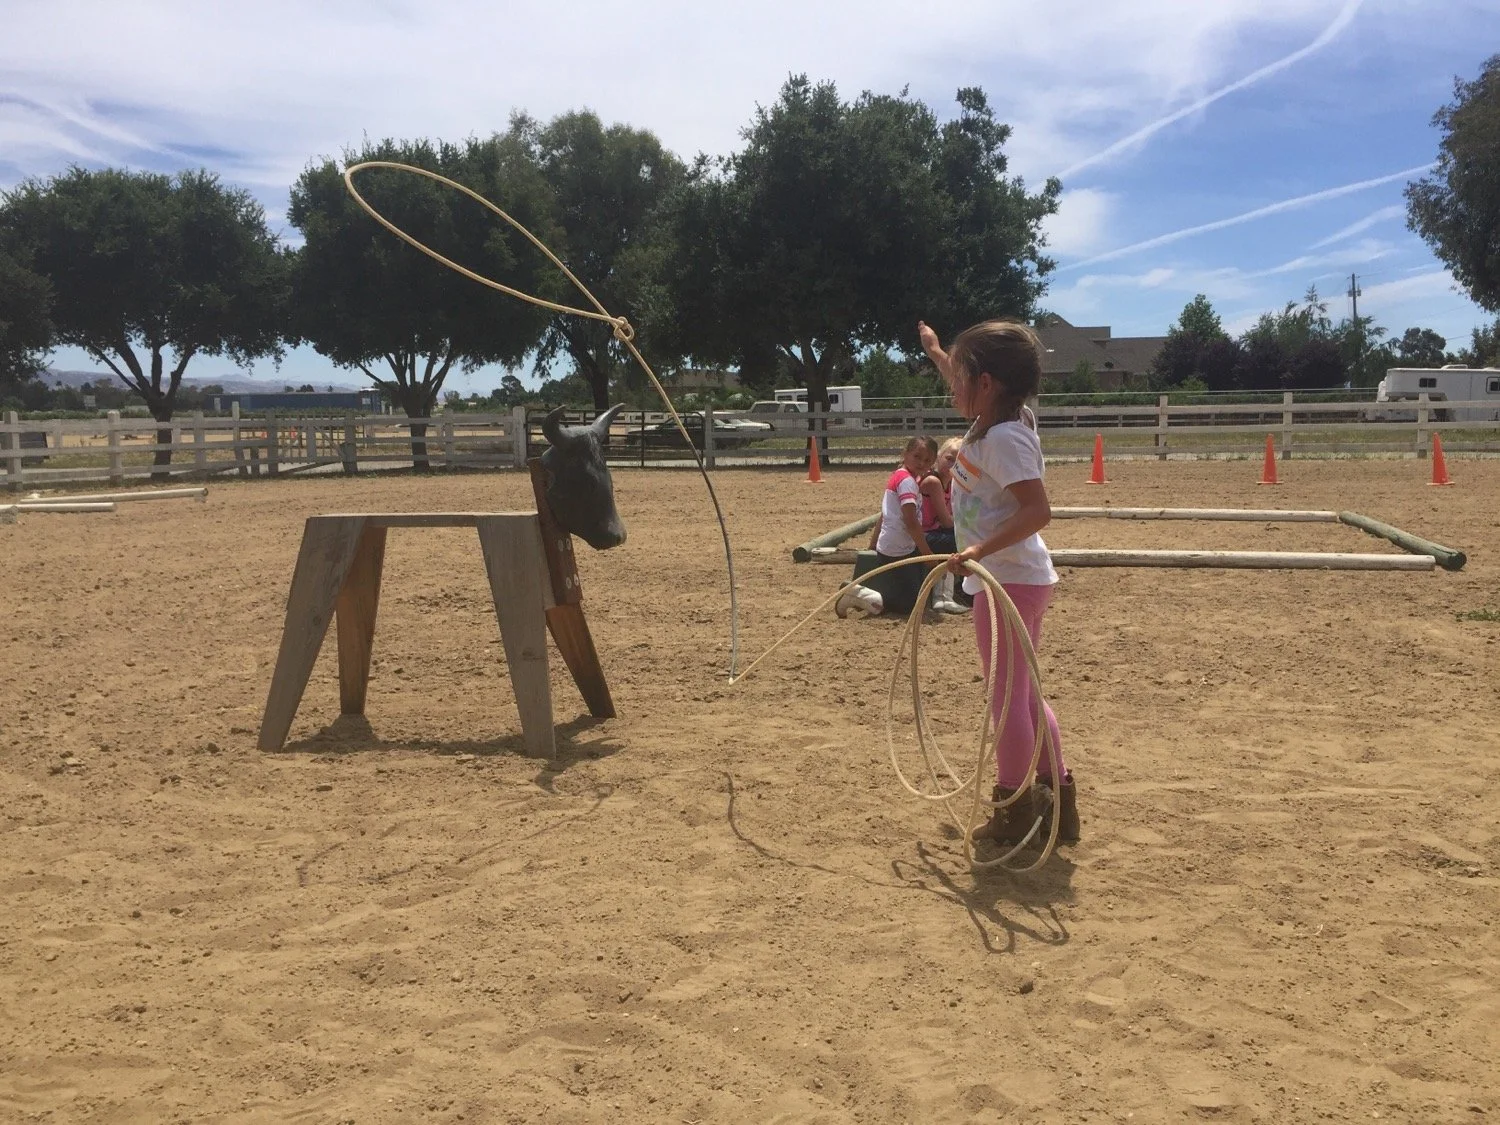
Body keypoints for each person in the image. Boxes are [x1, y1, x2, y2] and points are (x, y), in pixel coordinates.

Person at [919, 318, 1079, 846]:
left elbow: (1038, 511)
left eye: (959, 377)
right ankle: (1058, 800)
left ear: (985, 383)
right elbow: (965, 381)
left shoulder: (1005, 439)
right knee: (1025, 695)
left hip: (1006, 580)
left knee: (1008, 701)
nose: (952, 386)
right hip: (1016, 579)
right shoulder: (999, 419)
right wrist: (939, 352)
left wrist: (979, 550)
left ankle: (1015, 806)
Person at [858, 435, 938, 616]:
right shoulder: (907, 482)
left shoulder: (900, 476)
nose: (921, 463)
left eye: (927, 460)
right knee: (908, 606)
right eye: (917, 456)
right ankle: (861, 595)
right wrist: (927, 553)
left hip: (894, 544)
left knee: (914, 590)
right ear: (905, 454)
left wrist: (874, 542)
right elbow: (910, 521)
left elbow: (884, 514)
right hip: (898, 548)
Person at [921, 437, 966, 614]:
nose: (953, 464)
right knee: (959, 542)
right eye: (949, 458)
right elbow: (947, 520)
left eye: (958, 461)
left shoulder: (951, 483)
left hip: (934, 531)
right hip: (924, 534)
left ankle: (954, 591)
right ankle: (943, 596)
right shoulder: (933, 482)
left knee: (963, 539)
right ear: (938, 457)